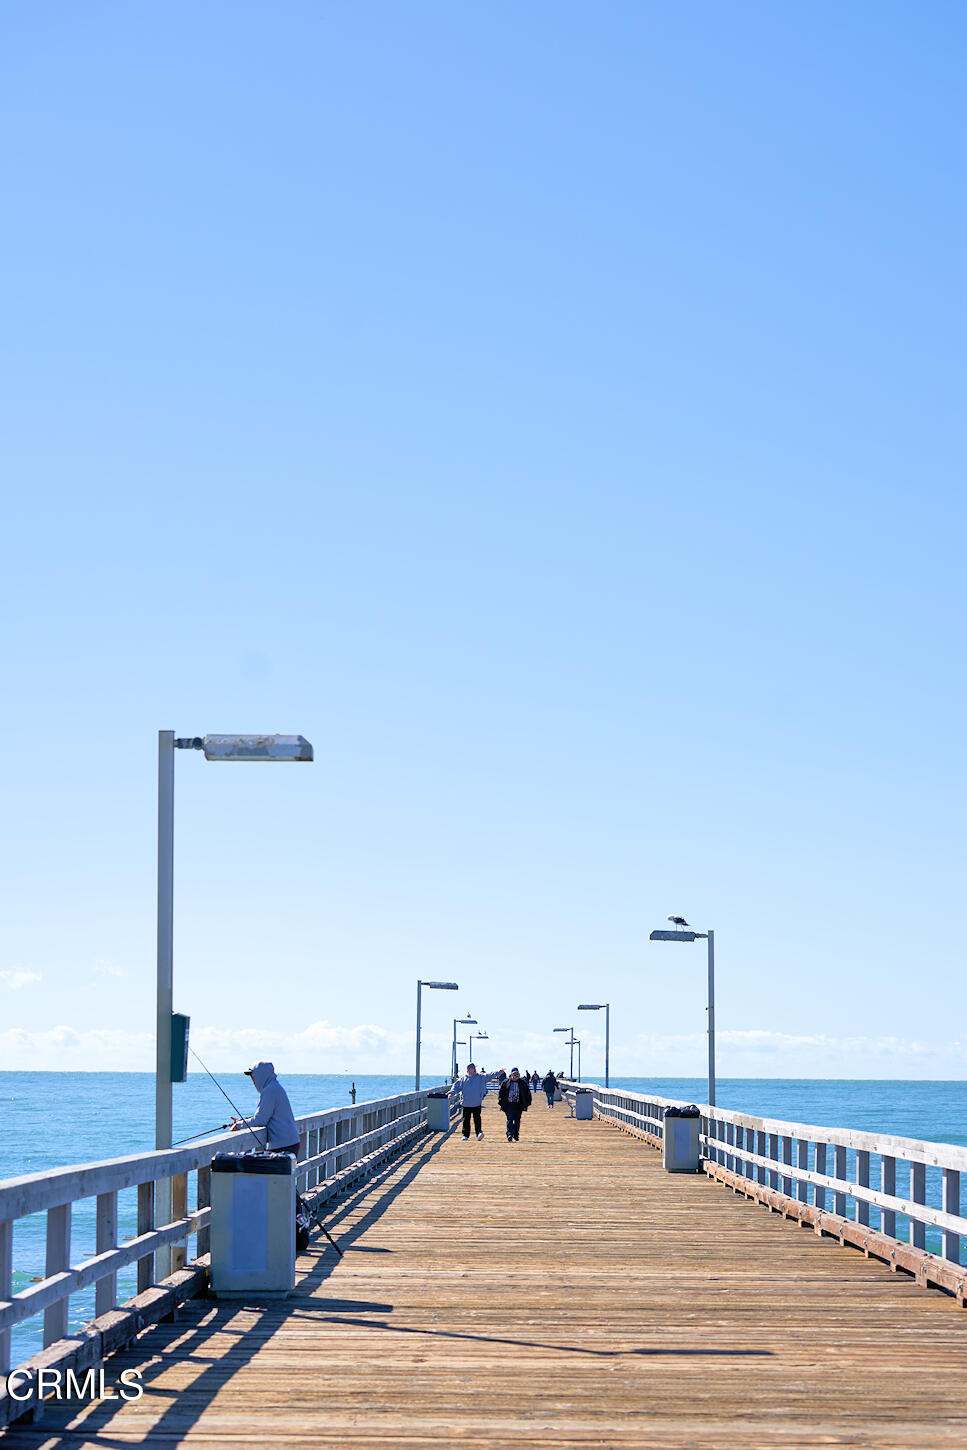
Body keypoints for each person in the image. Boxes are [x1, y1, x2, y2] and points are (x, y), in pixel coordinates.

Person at [230, 1061, 300, 1155]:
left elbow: (260, 1120)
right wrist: (244, 1121)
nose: (253, 1081)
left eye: (253, 1077)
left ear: (261, 1076)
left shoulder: (269, 1091)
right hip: (289, 1143)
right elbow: (265, 1116)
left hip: (284, 1146)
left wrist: (239, 1125)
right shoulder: (275, 1087)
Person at [449, 1062, 488, 1141]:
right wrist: (451, 1093)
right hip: (466, 1103)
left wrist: (499, 1072)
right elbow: (456, 1086)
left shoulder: (480, 1077)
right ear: (468, 1070)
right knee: (466, 1119)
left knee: (477, 1119)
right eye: (472, 1068)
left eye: (474, 1068)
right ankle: (466, 1135)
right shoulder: (463, 1078)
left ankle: (479, 1133)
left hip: (476, 1102)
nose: (474, 1069)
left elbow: (489, 1075)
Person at [497, 1067, 532, 1142]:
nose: (515, 1076)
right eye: (514, 1074)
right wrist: (500, 1102)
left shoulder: (522, 1083)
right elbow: (501, 1093)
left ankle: (516, 1135)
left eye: (517, 1074)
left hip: (518, 1105)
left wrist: (527, 1103)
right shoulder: (506, 1082)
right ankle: (509, 1134)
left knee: (517, 1120)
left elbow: (527, 1093)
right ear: (511, 1075)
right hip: (509, 1104)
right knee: (509, 1119)